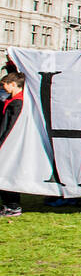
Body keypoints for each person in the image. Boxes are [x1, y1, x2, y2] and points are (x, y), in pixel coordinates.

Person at [0, 72, 24, 216]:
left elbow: (11, 126)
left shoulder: (18, 103)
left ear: (13, 84)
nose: (3, 88)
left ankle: (13, 206)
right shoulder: (12, 100)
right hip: (5, 141)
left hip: (8, 143)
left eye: (5, 85)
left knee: (6, 174)